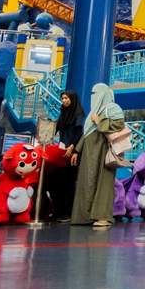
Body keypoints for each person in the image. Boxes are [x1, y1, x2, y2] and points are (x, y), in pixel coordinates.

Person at [70, 83, 128, 228]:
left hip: (103, 152)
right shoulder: (93, 112)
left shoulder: (112, 108)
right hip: (90, 153)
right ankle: (85, 216)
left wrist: (99, 121)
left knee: (104, 183)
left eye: (95, 93)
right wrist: (77, 151)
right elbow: (87, 134)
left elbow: (119, 124)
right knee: (87, 182)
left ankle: (103, 217)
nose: (93, 96)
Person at [46, 89, 85, 221]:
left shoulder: (79, 114)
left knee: (69, 183)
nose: (64, 101)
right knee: (59, 181)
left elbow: (80, 133)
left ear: (72, 99)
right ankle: (58, 211)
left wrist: (73, 147)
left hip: (73, 152)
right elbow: (55, 128)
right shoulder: (63, 114)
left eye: (67, 98)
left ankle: (67, 213)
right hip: (62, 152)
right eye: (62, 98)